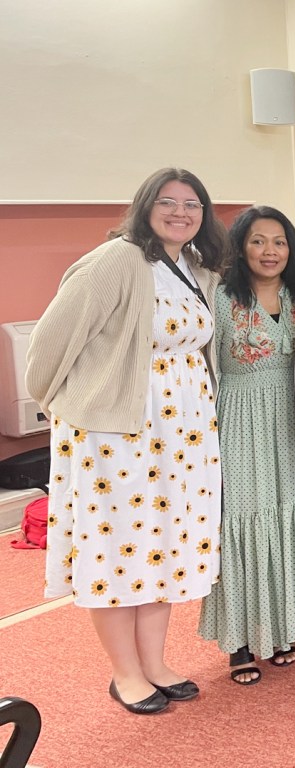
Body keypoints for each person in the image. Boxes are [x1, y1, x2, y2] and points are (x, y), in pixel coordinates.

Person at [26, 167, 227, 714]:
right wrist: (70, 407)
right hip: (117, 434)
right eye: (168, 201)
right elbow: (48, 344)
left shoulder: (193, 267)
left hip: (181, 434)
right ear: (145, 206)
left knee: (165, 544)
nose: (180, 212)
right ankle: (125, 673)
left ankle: (154, 663)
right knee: (118, 549)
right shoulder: (115, 260)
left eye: (192, 204)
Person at [197, 205, 295, 684]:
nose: (269, 251)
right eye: (257, 240)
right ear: (240, 247)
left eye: (279, 241)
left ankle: (282, 628)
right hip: (239, 421)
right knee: (243, 520)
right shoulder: (218, 297)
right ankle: (239, 639)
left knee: (292, 515)